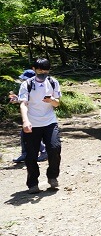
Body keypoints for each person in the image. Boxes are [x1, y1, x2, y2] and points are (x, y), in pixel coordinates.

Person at [17, 58, 62, 194]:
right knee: (31, 155)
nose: (43, 72)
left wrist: (51, 100)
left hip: (50, 122)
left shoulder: (53, 82)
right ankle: (33, 183)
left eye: (45, 70)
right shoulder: (27, 84)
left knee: (55, 148)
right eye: (40, 70)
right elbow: (23, 104)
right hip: (32, 123)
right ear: (34, 69)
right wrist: (25, 121)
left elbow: (57, 103)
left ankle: (52, 176)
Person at [10, 69, 48, 163]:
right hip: (29, 115)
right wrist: (17, 99)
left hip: (36, 116)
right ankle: (25, 153)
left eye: (25, 79)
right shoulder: (28, 87)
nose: (23, 81)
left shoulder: (37, 87)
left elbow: (34, 100)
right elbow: (25, 100)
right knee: (25, 134)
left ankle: (43, 151)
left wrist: (18, 99)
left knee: (31, 134)